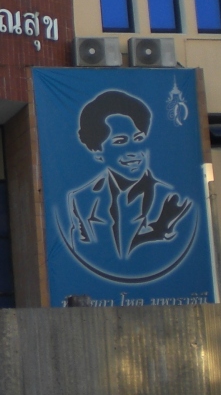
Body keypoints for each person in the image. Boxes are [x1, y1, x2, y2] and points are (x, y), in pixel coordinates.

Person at [57, 90, 194, 282]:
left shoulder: (173, 198)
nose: (133, 151)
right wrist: (155, 233)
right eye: (120, 141)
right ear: (98, 152)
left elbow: (182, 265)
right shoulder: (82, 200)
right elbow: (84, 260)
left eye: (138, 139)